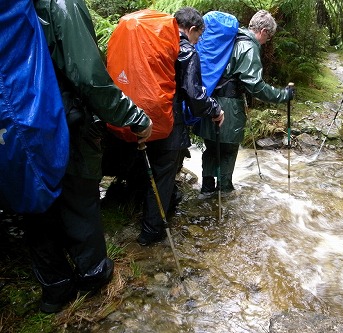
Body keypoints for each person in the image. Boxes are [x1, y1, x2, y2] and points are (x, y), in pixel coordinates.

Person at [23, 0, 153, 314]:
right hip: (63, 121)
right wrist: (136, 118)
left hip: (17, 123)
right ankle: (93, 275)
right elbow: (90, 77)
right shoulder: (60, 4)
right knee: (80, 196)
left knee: (33, 202)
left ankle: (54, 289)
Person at [136, 6, 224, 246]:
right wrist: (215, 110)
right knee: (164, 175)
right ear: (192, 29)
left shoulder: (154, 41)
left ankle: (154, 210)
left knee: (150, 170)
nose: (198, 41)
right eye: (199, 36)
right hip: (167, 123)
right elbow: (195, 97)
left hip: (138, 118)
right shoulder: (185, 50)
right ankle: (151, 232)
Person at [194, 10, 293, 196]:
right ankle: (224, 191)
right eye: (269, 37)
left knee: (211, 147)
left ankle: (206, 189)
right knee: (229, 149)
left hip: (209, 100)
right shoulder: (248, 46)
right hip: (228, 106)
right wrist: (283, 95)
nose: (267, 41)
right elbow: (255, 85)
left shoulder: (231, 38)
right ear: (263, 31)